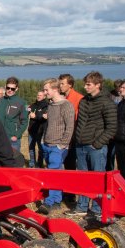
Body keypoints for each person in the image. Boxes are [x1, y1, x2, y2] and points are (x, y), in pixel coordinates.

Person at [65, 72, 117, 218]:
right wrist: (77, 139)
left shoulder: (107, 103)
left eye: (88, 84)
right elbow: (79, 123)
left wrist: (97, 144)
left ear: (98, 85)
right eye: (85, 84)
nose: (85, 87)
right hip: (80, 145)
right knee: (83, 179)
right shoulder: (84, 101)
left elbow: (112, 127)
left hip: (96, 147)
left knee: (97, 179)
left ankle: (96, 208)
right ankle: (82, 206)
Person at [38, 79, 75, 215]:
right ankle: (57, 201)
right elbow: (48, 125)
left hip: (58, 146)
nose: (45, 92)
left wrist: (61, 146)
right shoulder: (51, 105)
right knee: (54, 173)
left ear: (55, 89)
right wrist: (43, 141)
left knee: (53, 174)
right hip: (47, 144)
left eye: (46, 90)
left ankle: (49, 203)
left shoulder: (66, 105)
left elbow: (69, 128)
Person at [0, 76, 29, 152]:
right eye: (8, 88)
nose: (10, 90)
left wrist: (16, 135)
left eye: (12, 89)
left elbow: (24, 121)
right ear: (5, 87)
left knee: (14, 162)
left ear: (16, 89)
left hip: (12, 139)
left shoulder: (22, 103)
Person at [26, 90, 49, 167]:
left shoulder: (46, 105)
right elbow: (27, 110)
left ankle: (39, 164)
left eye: (40, 95)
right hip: (31, 130)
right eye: (38, 95)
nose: (38, 96)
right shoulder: (33, 105)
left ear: (44, 96)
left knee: (41, 148)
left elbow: (44, 116)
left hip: (40, 131)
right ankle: (32, 163)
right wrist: (28, 112)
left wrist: (35, 116)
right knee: (31, 148)